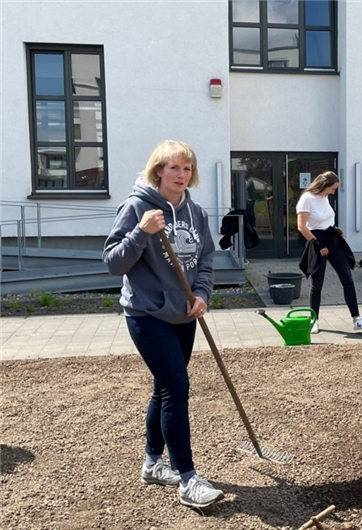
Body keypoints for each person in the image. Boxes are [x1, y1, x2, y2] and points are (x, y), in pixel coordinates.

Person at [103, 140, 224, 508]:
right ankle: (188, 479)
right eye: (174, 168)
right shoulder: (137, 206)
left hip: (184, 313)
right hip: (146, 313)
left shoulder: (196, 212)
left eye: (187, 169)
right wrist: (141, 231)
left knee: (163, 388)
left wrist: (201, 293)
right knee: (177, 387)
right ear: (158, 170)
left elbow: (206, 258)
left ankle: (152, 464)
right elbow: (112, 262)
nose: (181, 175)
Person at [296, 171, 362, 334]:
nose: (333, 192)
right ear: (324, 185)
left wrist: (335, 229)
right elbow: (302, 226)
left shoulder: (324, 197)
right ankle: (314, 320)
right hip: (316, 240)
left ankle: (357, 319)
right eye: (332, 189)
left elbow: (325, 219)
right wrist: (317, 244)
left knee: (347, 279)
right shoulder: (306, 199)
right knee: (317, 284)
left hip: (332, 238)